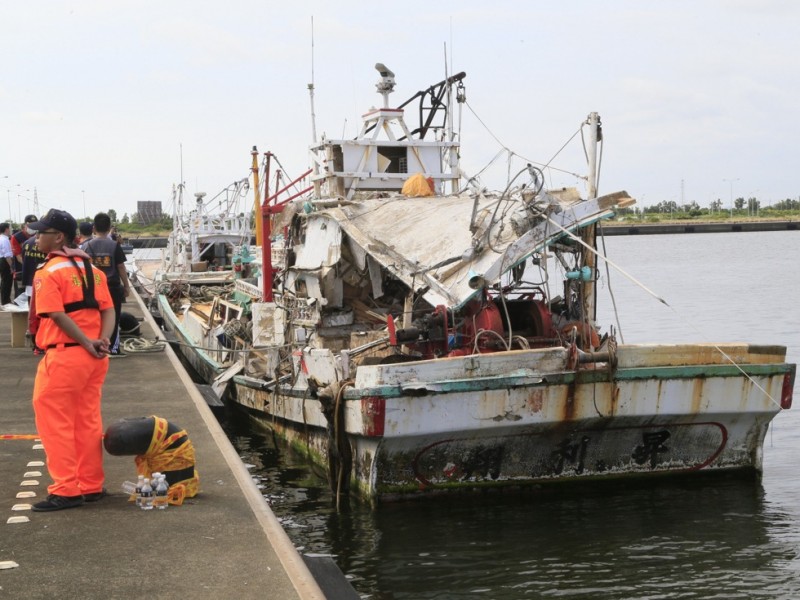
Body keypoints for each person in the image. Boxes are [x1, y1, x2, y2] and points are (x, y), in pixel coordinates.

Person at [28, 208, 115, 511]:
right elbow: (109, 309)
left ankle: (65, 489)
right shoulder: (93, 270)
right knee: (87, 420)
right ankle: (90, 485)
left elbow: (55, 314)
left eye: (42, 233)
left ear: (59, 237)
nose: (36, 237)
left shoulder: (47, 273)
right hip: (95, 359)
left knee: (55, 423)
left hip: (65, 355)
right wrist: (101, 340)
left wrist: (85, 341)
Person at [82, 213, 131, 357]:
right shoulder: (114, 245)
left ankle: (95, 345)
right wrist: (126, 286)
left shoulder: (85, 246)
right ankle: (113, 349)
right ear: (109, 227)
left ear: (94, 228)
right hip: (112, 287)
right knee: (113, 318)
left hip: (93, 288)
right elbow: (121, 267)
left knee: (94, 317)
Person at [21, 232, 49, 355]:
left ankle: (36, 342)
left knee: (33, 311)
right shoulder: (48, 243)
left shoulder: (27, 243)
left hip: (30, 280)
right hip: (44, 279)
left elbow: (23, 260)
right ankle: (41, 342)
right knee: (44, 312)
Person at [11, 214, 38, 298]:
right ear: (25, 225)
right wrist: (30, 267)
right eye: (30, 224)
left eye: (35, 224)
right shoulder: (16, 237)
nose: (32, 227)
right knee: (21, 296)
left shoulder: (39, 235)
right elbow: (19, 257)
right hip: (22, 270)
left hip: (38, 270)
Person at [0, 223, 14, 306]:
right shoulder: (5, 240)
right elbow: (7, 255)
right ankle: (6, 301)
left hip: (2, 260)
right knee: (7, 282)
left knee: (4, 281)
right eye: (9, 228)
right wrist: (11, 266)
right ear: (6, 229)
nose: (10, 230)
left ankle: (5, 300)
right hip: (5, 261)